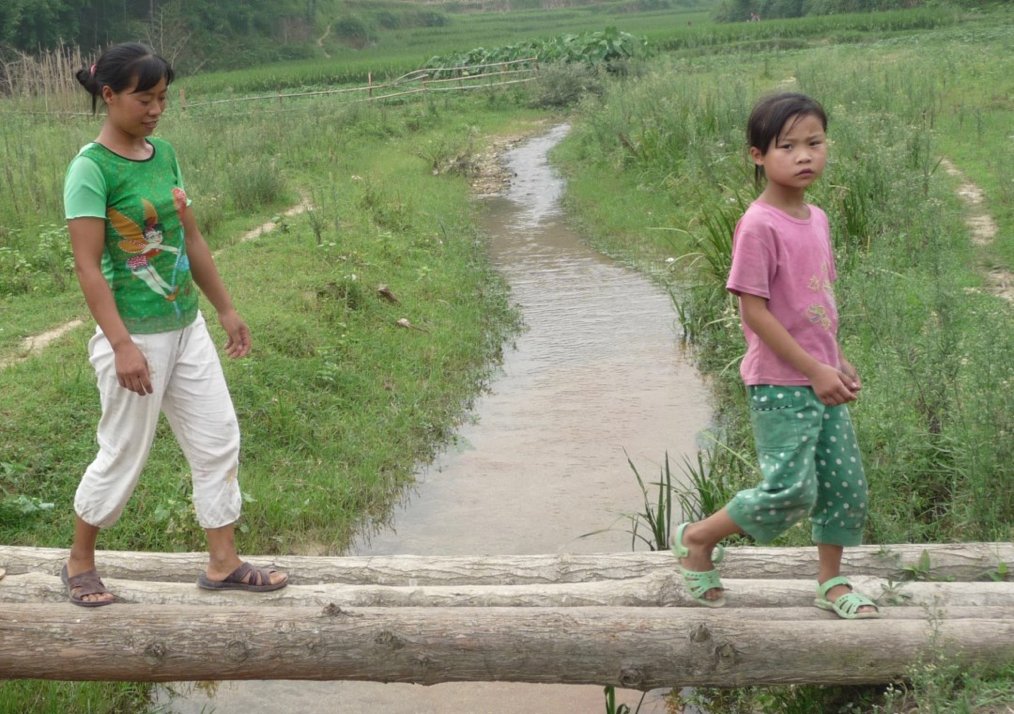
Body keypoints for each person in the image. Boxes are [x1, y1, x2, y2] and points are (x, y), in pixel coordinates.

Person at [62, 42, 287, 606]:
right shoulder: (90, 169)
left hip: (187, 327)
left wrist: (225, 309)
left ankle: (222, 562)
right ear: (109, 95)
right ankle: (79, 563)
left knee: (218, 437)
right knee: (122, 451)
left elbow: (191, 238)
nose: (156, 109)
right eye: (144, 99)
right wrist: (121, 345)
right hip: (134, 336)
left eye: (162, 98)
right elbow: (88, 267)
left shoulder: (163, 154)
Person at [673, 92, 879, 619]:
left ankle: (830, 582)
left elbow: (815, 303)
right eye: (787, 146)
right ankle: (697, 539)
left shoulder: (818, 218)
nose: (804, 155)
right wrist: (813, 369)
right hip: (780, 383)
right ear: (758, 155)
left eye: (815, 142)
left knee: (845, 487)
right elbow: (756, 312)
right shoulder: (759, 224)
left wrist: (835, 358)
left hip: (821, 375)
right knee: (790, 491)